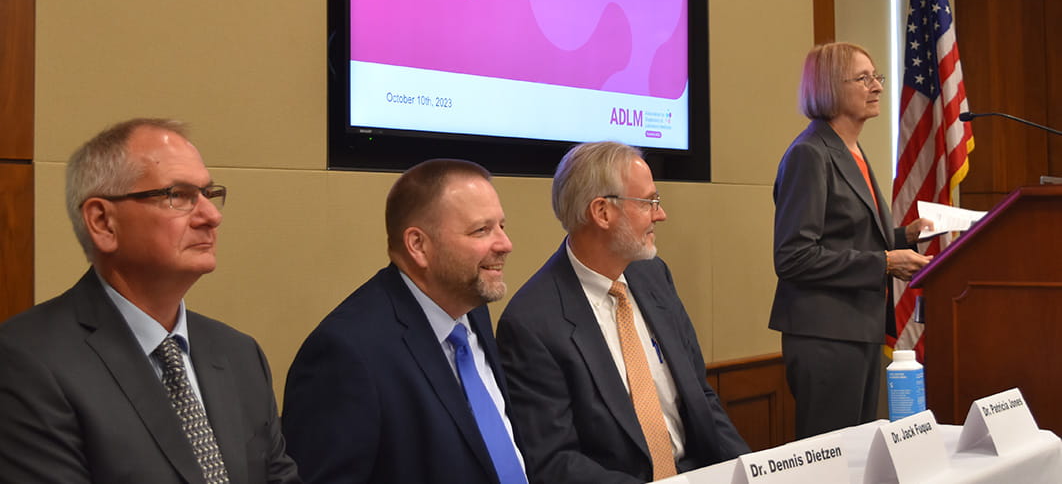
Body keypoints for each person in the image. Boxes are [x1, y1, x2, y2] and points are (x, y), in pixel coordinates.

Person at [0, 118, 301, 483]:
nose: (212, 216)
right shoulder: (27, 361)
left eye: (209, 194)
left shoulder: (239, 354)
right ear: (103, 222)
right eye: (179, 195)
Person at [496, 141, 749, 483]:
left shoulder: (654, 275)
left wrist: (752, 470)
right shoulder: (532, 322)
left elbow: (701, 396)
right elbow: (554, 462)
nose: (661, 214)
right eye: (649, 202)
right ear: (602, 212)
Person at [282, 159, 527, 484]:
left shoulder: (471, 308)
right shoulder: (347, 352)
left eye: (502, 226)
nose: (505, 244)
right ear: (418, 245)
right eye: (481, 230)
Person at [770, 42, 933, 439]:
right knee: (832, 460)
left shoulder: (852, 150)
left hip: (859, 327)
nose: (877, 86)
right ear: (828, 87)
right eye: (863, 78)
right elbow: (794, 257)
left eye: (876, 77)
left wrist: (903, 237)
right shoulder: (810, 154)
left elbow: (847, 236)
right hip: (824, 335)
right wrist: (886, 263)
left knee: (856, 454)